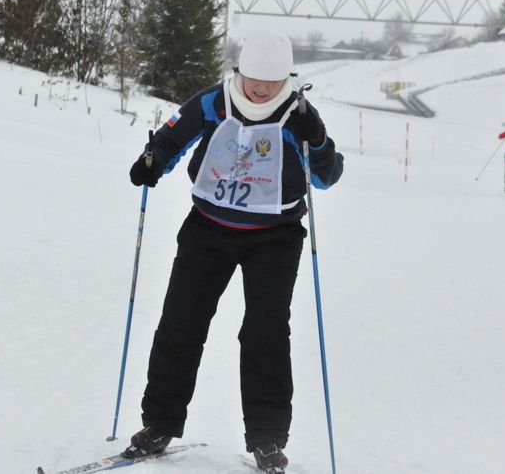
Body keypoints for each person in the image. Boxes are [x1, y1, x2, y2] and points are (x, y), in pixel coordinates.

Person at [123, 31, 344, 473]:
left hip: (275, 237)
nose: (260, 89)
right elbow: (172, 137)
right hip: (208, 229)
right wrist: (153, 159)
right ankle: (159, 424)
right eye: (253, 79)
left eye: (271, 81)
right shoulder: (212, 101)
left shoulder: (299, 113)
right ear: (239, 71)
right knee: (179, 325)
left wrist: (316, 139)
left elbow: (327, 176)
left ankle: (267, 438)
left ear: (287, 77)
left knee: (264, 334)